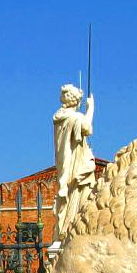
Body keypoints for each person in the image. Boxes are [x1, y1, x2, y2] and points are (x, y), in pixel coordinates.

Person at [52, 84, 96, 241]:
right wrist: (91, 108)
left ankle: (67, 227)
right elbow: (87, 128)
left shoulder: (60, 116)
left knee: (73, 193)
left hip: (66, 162)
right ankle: (70, 229)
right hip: (75, 162)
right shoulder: (73, 117)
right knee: (77, 193)